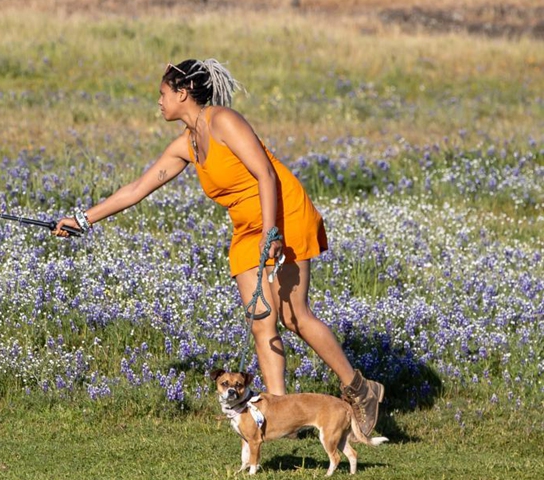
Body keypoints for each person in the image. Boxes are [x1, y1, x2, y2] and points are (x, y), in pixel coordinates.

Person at [55, 59, 384, 435]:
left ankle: (360, 389)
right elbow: (136, 189)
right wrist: (83, 220)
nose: (159, 102)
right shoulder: (187, 144)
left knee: (294, 317)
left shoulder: (224, 121)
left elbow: (266, 173)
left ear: (182, 93)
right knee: (261, 321)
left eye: (162, 95)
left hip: (282, 215)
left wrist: (272, 232)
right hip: (247, 228)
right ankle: (277, 415)